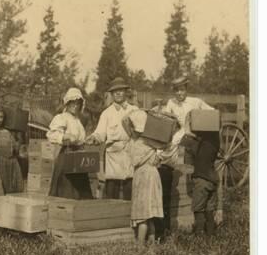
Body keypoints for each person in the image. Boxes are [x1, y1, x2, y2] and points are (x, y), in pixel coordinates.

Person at [86, 77, 138, 200]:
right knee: (111, 191)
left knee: (129, 188)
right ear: (112, 94)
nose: (119, 93)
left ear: (126, 92)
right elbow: (100, 133)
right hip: (113, 157)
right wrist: (94, 138)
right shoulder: (107, 113)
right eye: (116, 91)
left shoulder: (134, 110)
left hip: (129, 153)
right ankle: (111, 217)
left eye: (121, 90)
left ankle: (127, 217)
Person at [125, 109, 165, 245]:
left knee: (142, 214)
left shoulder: (137, 144)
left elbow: (124, 121)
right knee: (150, 214)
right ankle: (152, 243)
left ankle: (140, 245)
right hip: (153, 174)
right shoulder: (153, 142)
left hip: (144, 177)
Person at [46, 88, 93, 199]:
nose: (75, 106)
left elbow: (80, 138)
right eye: (73, 103)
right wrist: (64, 137)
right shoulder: (61, 118)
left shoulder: (78, 121)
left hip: (78, 157)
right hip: (66, 156)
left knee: (80, 191)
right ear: (67, 103)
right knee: (66, 190)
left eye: (78, 104)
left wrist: (86, 140)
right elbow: (51, 135)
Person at [186, 131, 223, 235]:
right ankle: (210, 235)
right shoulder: (215, 141)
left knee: (198, 209)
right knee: (209, 209)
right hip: (213, 179)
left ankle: (199, 236)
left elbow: (188, 159)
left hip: (201, 178)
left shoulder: (196, 144)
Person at [164, 76, 214, 146]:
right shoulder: (171, 102)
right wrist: (172, 116)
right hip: (180, 132)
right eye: (176, 90)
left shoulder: (196, 101)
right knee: (168, 146)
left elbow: (212, 112)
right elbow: (166, 118)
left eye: (182, 90)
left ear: (186, 90)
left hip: (196, 133)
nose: (179, 93)